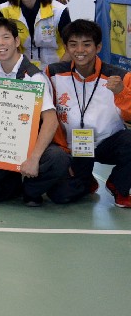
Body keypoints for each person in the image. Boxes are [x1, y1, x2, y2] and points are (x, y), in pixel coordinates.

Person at [0, 18, 69, 206]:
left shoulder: (34, 77)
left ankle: (30, 189)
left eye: (5, 37)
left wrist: (34, 158)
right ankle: (13, 183)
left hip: (29, 146)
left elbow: (51, 121)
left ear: (17, 41)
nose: (0, 43)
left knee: (57, 158)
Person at [45, 20, 131, 207]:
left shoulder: (121, 77)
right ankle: (86, 181)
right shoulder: (53, 73)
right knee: (60, 195)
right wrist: (63, 151)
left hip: (107, 143)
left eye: (86, 44)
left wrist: (121, 93)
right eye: (73, 44)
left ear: (98, 47)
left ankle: (118, 185)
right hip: (74, 148)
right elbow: (46, 114)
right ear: (66, 47)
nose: (80, 50)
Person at [0, 0, 70, 70]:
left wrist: (55, 71)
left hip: (57, 68)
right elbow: (3, 46)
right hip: (22, 69)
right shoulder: (5, 10)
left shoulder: (59, 11)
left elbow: (71, 47)